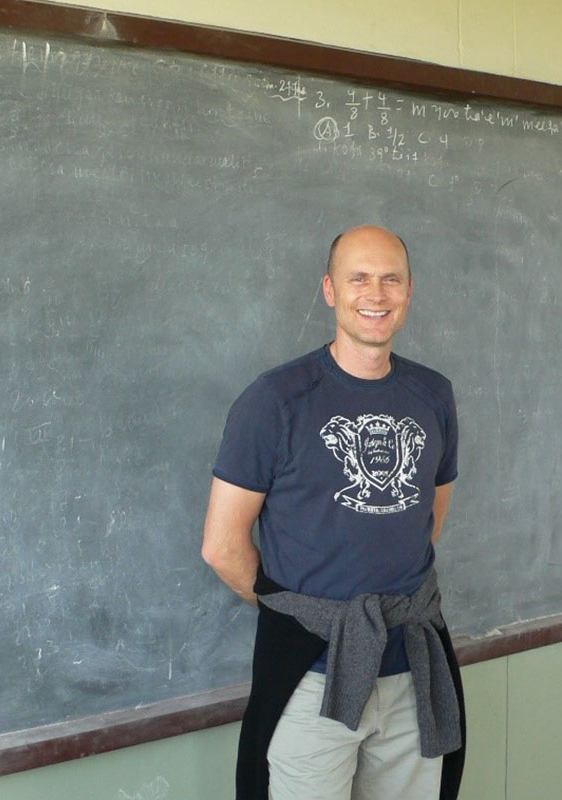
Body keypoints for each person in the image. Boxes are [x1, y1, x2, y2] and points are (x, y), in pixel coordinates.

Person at [202, 224, 466, 800]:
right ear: (330, 290)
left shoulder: (433, 396)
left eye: (390, 278)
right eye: (359, 278)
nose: (376, 293)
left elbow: (428, 522)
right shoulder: (274, 402)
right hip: (310, 677)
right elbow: (222, 547)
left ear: (409, 291)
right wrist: (307, 615)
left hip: (410, 673)